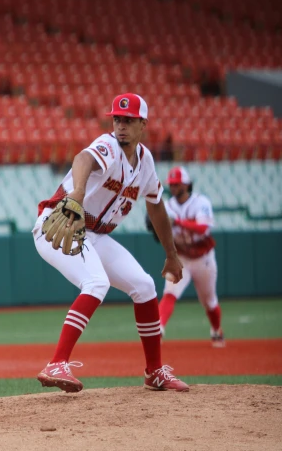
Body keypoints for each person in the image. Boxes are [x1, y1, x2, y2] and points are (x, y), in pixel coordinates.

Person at [33, 92, 189, 393]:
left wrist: (171, 253)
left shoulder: (145, 162)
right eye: (117, 118)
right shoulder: (109, 146)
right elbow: (83, 158)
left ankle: (154, 372)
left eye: (128, 120)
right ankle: (56, 362)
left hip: (95, 233)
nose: (121, 125)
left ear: (143, 124)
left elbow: (156, 204)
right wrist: (77, 192)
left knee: (144, 286)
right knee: (96, 282)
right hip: (62, 222)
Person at [158, 166, 224, 347]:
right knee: (169, 293)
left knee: (209, 302)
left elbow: (203, 228)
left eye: (177, 184)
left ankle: (216, 329)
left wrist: (178, 222)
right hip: (181, 258)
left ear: (186, 185)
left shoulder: (201, 202)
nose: (173, 187)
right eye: (171, 184)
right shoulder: (166, 206)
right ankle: (159, 329)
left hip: (204, 258)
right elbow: (159, 232)